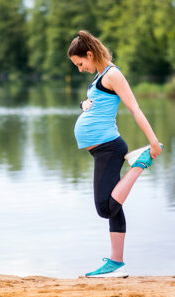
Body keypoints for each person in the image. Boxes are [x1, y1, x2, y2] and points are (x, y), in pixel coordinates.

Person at [67, 30, 163, 278]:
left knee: (104, 207)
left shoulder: (113, 74)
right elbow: (97, 103)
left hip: (109, 147)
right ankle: (116, 263)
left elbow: (135, 108)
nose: (79, 69)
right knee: (114, 205)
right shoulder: (100, 74)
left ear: (89, 54)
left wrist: (153, 143)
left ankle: (140, 163)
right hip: (102, 149)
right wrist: (83, 104)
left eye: (80, 63)